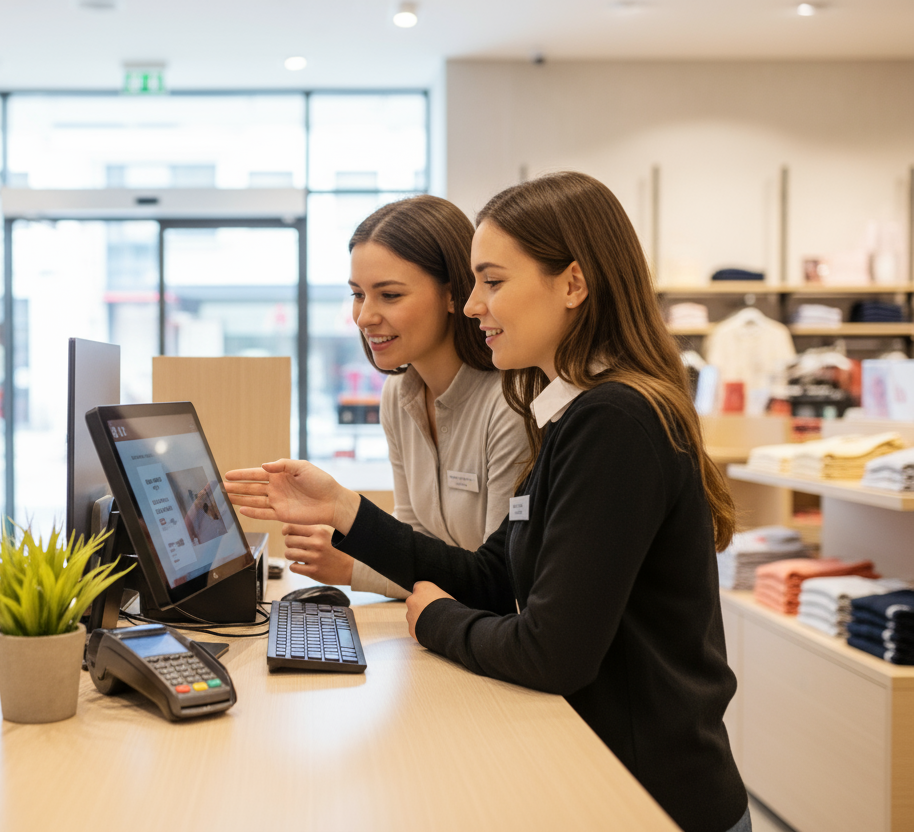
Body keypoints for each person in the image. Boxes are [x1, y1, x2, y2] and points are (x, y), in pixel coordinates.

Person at [225, 172, 750, 832]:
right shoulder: (570, 415)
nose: (473, 306)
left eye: (493, 282)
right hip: (601, 773)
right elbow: (496, 576)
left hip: (648, 797)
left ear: (573, 284)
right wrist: (341, 508)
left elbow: (552, 650)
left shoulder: (615, 420)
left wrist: (435, 619)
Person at [285, 195, 525, 599]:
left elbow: (498, 582)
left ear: (454, 294)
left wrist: (354, 569)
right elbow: (416, 536)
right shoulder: (399, 395)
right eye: (358, 294)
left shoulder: (510, 403)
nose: (364, 317)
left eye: (389, 295)